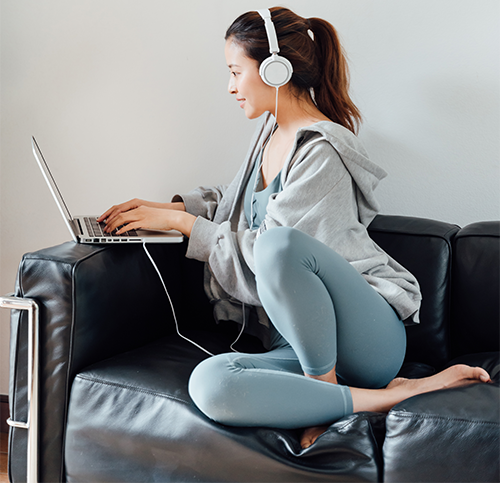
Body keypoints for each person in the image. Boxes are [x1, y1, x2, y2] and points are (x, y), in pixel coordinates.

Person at [98, 7, 491, 449]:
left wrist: (184, 224)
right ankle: (382, 397)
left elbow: (271, 247)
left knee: (278, 248)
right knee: (211, 383)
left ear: (274, 69)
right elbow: (237, 203)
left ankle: (324, 394)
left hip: (364, 339)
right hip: (296, 344)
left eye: (234, 71)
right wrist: (165, 208)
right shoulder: (269, 134)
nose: (230, 86)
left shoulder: (322, 151)